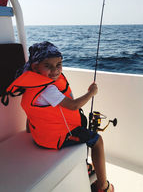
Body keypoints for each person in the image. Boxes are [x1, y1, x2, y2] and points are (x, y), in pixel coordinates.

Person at [6, 41, 114, 192]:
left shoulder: (32, 84)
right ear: (35, 67)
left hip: (40, 135)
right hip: (55, 139)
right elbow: (74, 105)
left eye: (58, 65)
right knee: (97, 141)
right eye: (48, 66)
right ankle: (103, 186)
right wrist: (91, 93)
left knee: (82, 124)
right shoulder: (47, 89)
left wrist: (30, 131)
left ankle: (87, 167)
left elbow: (33, 113)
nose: (55, 71)